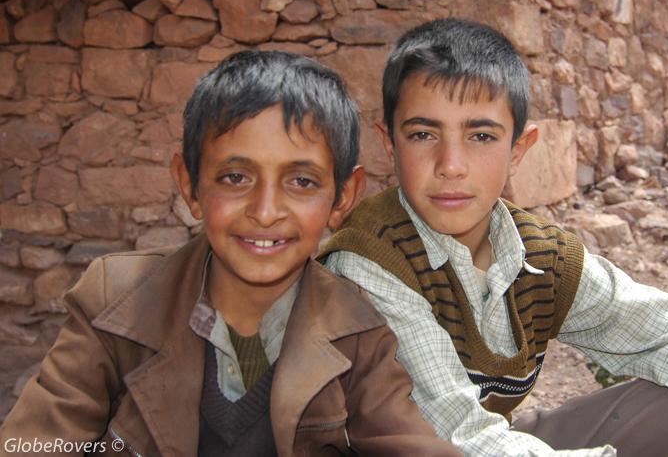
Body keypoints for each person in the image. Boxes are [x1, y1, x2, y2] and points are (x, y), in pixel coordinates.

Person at [320, 18, 668, 456]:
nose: (450, 165)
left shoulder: (537, 255)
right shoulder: (370, 262)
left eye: (481, 136)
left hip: (493, 442)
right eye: (424, 134)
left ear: (519, 148)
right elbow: (458, 437)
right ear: (388, 142)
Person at [0, 51, 460, 457]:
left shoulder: (359, 329)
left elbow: (408, 443)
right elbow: (34, 443)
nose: (264, 212)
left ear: (342, 198)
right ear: (191, 186)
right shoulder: (115, 302)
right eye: (235, 178)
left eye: (302, 181)